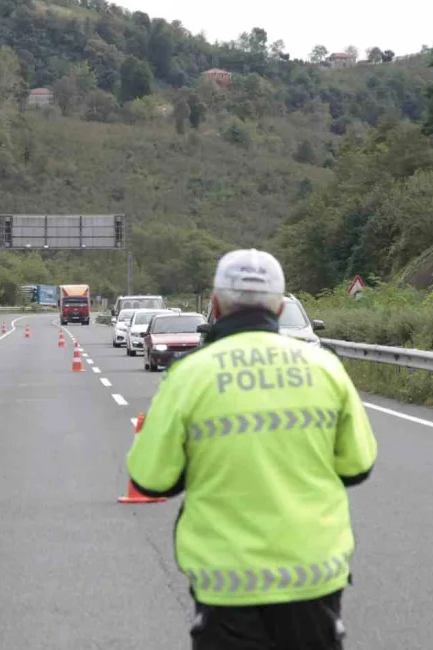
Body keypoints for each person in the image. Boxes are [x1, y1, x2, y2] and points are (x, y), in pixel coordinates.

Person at [125, 248, 377, 650]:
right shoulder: (324, 367)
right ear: (280, 307)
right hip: (313, 575)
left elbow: (151, 479)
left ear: (214, 305)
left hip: (226, 583)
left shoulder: (189, 374)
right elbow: (358, 465)